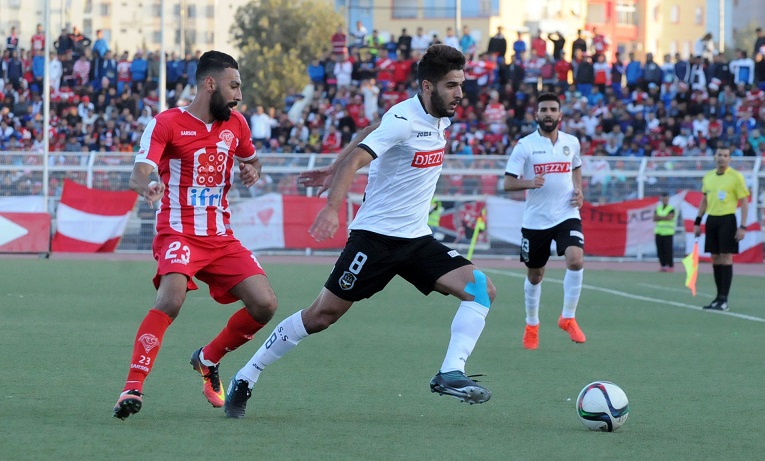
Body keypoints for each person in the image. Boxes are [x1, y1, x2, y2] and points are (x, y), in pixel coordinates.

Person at [223, 45, 497, 418]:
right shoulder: (404, 119)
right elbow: (359, 157)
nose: (460, 94)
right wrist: (333, 204)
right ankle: (247, 374)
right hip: (375, 239)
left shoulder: (436, 118)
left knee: (481, 289)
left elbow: (371, 129)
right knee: (320, 316)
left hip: (416, 239)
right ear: (428, 86)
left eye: (461, 84)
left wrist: (331, 167)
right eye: (451, 85)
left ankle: (450, 372)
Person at [112, 51, 278, 420]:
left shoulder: (236, 124)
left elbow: (252, 159)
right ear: (210, 84)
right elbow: (139, 172)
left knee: (265, 305)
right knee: (170, 299)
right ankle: (132, 386)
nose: (238, 94)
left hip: (221, 236)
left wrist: (252, 170)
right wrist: (148, 186)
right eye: (233, 86)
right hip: (179, 232)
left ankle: (208, 358)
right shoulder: (167, 123)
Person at [502, 91, 586, 350]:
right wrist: (529, 183)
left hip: (566, 213)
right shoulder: (525, 146)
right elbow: (507, 183)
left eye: (552, 109)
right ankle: (532, 324)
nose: (548, 114)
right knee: (536, 274)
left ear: (560, 115)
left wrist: (579, 189)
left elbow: (576, 166)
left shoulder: (571, 142)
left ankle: (568, 317)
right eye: (543, 110)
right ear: (536, 115)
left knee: (576, 259)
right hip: (536, 220)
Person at [693, 146, 750, 311]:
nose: (722, 158)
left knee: (726, 257)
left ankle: (724, 299)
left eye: (725, 155)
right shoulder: (709, 177)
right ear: (715, 157)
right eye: (719, 155)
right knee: (715, 257)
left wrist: (743, 226)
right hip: (712, 219)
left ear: (730, 159)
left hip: (727, 219)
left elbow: (744, 202)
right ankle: (718, 297)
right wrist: (698, 221)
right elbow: (704, 200)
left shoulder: (735, 177)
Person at [653, 192, 676, 272]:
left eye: (666, 198)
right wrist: (664, 217)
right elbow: (654, 218)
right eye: (663, 198)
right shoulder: (658, 208)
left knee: (668, 250)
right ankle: (663, 265)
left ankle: (670, 265)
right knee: (660, 250)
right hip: (659, 232)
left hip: (668, 233)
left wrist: (660, 217)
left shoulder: (671, 208)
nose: (665, 200)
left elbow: (669, 217)